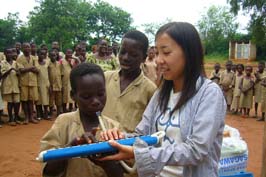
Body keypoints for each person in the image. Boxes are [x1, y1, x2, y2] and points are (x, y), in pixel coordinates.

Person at [100, 22, 226, 177]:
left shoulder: (209, 93)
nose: (159, 60)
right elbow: (142, 135)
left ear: (189, 53)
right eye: (157, 53)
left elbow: (196, 150)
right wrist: (119, 138)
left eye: (166, 53)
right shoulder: (161, 94)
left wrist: (139, 153)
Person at [40, 63, 124, 177]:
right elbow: (49, 170)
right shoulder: (63, 123)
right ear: (73, 96)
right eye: (86, 97)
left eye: (100, 94)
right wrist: (71, 148)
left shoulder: (114, 128)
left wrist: (107, 162)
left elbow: (123, 173)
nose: (95, 101)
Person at [102, 30, 157, 133]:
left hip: (127, 146)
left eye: (133, 55)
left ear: (144, 58)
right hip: (99, 144)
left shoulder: (150, 90)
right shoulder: (105, 78)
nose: (126, 58)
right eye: (122, 52)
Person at [17, 42, 39, 124]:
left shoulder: (34, 58)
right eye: (25, 47)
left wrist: (28, 69)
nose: (27, 48)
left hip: (33, 82)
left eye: (28, 47)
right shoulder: (20, 58)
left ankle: (31, 117)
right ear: (22, 49)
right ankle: (26, 117)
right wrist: (31, 68)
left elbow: (37, 70)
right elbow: (21, 70)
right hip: (24, 82)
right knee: (24, 101)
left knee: (31, 100)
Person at [1, 47, 20, 126]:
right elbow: (2, 74)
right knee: (10, 103)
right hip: (7, 85)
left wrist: (18, 72)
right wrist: (10, 69)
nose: (10, 54)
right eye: (8, 53)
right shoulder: (2, 63)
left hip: (15, 85)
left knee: (17, 102)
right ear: (5, 54)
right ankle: (11, 119)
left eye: (11, 53)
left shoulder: (16, 63)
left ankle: (16, 117)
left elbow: (19, 72)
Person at [36, 49, 50, 120]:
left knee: (45, 99)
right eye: (41, 54)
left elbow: (49, 73)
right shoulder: (35, 62)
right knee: (38, 99)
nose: (43, 55)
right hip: (37, 83)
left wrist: (49, 84)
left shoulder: (47, 62)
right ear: (37, 54)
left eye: (44, 54)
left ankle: (46, 114)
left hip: (45, 83)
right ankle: (39, 114)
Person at [48, 49, 63, 116]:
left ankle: (58, 113)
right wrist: (49, 85)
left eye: (55, 55)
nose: (53, 57)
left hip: (59, 85)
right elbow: (47, 75)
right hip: (52, 85)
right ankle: (51, 113)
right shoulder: (48, 64)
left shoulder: (59, 64)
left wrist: (61, 85)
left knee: (59, 100)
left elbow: (61, 75)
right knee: (51, 100)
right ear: (49, 56)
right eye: (52, 55)